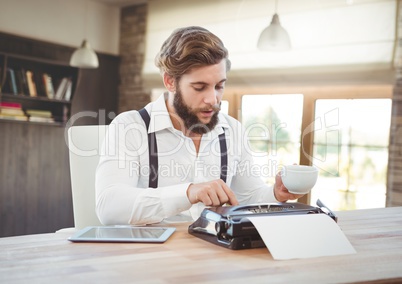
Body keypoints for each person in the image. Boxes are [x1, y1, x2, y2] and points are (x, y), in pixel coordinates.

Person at [95, 26, 303, 225]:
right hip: (150, 255)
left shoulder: (233, 131)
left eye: (219, 86)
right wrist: (188, 192)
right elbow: (109, 207)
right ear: (170, 82)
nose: (213, 99)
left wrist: (275, 194)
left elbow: (248, 198)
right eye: (199, 87)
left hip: (212, 253)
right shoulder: (129, 127)